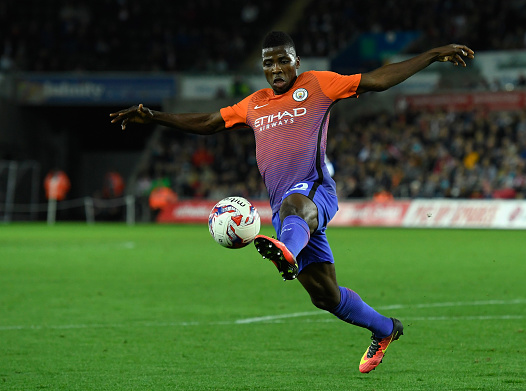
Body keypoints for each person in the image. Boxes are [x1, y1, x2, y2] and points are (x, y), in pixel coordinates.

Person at [110, 31, 474, 373]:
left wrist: (431, 54)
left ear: (296, 61)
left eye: (282, 61)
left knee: (293, 206)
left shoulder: (318, 83)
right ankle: (385, 328)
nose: (276, 69)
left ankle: (286, 250)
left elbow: (378, 80)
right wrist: (153, 116)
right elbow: (208, 121)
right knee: (325, 296)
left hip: (315, 192)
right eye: (268, 64)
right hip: (291, 217)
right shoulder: (254, 104)